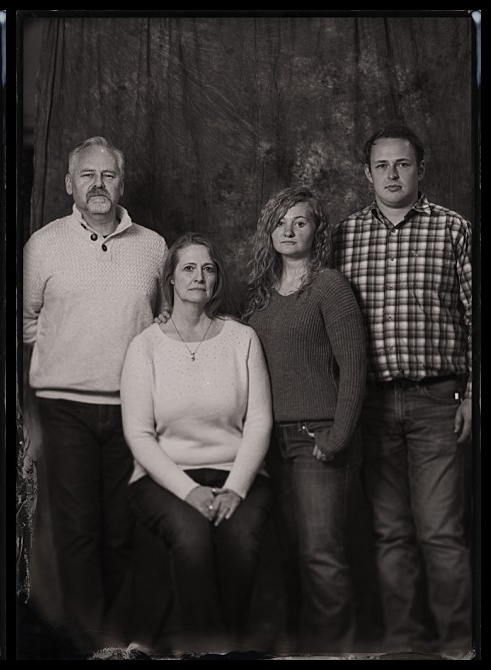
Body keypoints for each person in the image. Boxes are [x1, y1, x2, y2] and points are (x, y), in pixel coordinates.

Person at [333, 123, 473, 655]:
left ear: (421, 169)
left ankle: (459, 645)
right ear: (367, 173)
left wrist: (472, 393)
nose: (393, 174)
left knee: (440, 531)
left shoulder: (454, 229)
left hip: (438, 400)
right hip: (370, 404)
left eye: (404, 164)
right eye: (383, 165)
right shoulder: (344, 236)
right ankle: (406, 644)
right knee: (390, 533)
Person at [22, 136, 167, 647]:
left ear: (121, 183)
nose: (99, 185)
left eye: (108, 175)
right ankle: (92, 645)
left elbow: (163, 322)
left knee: (123, 529)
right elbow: (28, 320)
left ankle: (121, 641)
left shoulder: (153, 246)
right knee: (78, 530)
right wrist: (66, 348)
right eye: (88, 175)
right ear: (69, 184)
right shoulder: (42, 244)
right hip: (65, 408)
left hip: (132, 408)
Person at [120, 232, 272, 653]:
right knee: (192, 537)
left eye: (208, 268)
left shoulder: (242, 339)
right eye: (188, 268)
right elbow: (138, 434)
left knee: (240, 542)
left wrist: (235, 490)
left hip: (235, 473)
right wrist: (190, 492)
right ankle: (212, 650)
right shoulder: (145, 347)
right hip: (162, 477)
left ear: (217, 279)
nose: (199, 277)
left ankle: (221, 643)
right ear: (170, 278)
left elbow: (259, 421)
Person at [243, 187, 366, 653]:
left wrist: (337, 436)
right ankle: (298, 648)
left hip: (317, 436)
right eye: (280, 222)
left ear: (317, 230)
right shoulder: (259, 297)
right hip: (267, 441)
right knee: (286, 554)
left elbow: (354, 366)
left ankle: (338, 650)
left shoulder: (330, 286)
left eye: (300, 222)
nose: (289, 231)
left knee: (321, 554)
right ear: (269, 232)